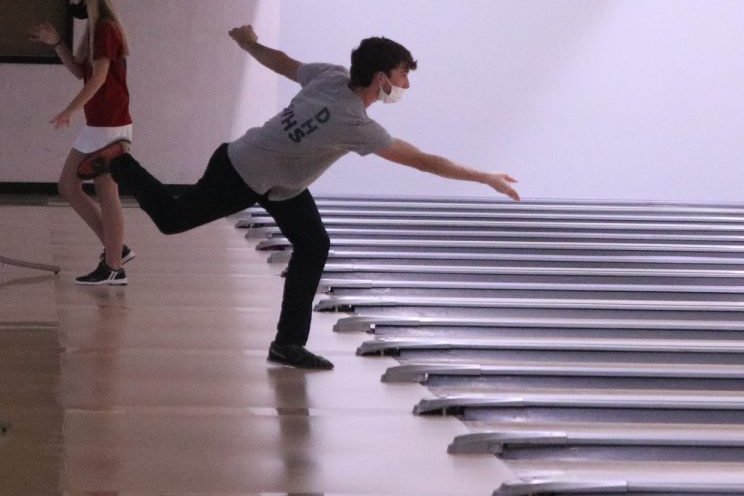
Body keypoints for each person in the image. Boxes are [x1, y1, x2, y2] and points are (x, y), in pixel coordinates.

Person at [92, 25, 519, 369]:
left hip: (282, 182)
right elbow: (423, 161)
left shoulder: (332, 75)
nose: (407, 83)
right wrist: (485, 177)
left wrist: (250, 43)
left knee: (314, 245)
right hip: (243, 169)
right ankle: (121, 161)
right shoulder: (355, 122)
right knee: (171, 220)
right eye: (404, 74)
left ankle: (288, 345)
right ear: (382, 78)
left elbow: (284, 64)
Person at [29, 0, 134, 286]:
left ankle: (115, 262)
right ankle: (116, 253)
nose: (71, 1)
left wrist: (70, 110)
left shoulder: (105, 29)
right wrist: (57, 43)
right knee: (87, 190)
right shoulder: (94, 29)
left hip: (108, 125)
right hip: (104, 123)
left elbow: (99, 78)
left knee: (84, 189)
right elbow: (80, 71)